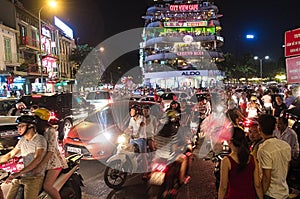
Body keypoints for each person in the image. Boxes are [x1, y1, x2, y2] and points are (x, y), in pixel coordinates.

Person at [0, 115, 47, 198]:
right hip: (23, 175)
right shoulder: (22, 140)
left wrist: (19, 172)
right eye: (18, 126)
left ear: (30, 126)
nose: (19, 129)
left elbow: (37, 159)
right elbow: (10, 154)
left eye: (21, 126)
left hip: (34, 177)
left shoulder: (40, 139)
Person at [32, 108, 68, 199]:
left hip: (54, 162)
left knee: (47, 186)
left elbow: (50, 151)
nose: (33, 121)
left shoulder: (51, 131)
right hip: (43, 160)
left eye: (35, 118)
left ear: (40, 120)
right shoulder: (38, 131)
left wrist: (40, 166)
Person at [218, 127, 263, 199]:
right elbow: (257, 184)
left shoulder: (226, 161)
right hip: (250, 196)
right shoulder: (251, 158)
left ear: (230, 141)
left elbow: (223, 187)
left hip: (234, 196)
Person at [154, 110, 190, 196]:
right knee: (184, 158)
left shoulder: (158, 129)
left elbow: (154, 143)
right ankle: (182, 178)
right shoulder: (175, 131)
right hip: (169, 158)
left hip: (157, 157)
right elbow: (174, 148)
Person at [257, 114, 291, 199]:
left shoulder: (264, 149)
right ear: (275, 128)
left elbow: (266, 178)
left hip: (271, 194)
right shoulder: (286, 146)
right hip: (284, 191)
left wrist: (261, 195)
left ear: (259, 129)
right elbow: (287, 167)